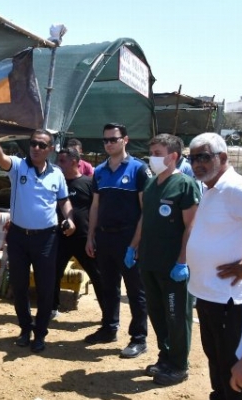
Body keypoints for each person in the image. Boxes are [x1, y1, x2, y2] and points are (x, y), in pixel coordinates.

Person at [0, 126, 75, 353]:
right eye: (33, 143)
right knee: (20, 286)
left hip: (46, 239)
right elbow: (1, 158)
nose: (35, 148)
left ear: (50, 149)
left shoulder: (56, 174)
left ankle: (40, 333)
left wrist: (70, 218)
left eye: (42, 145)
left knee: (45, 288)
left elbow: (63, 200)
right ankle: (25, 329)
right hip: (18, 238)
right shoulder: (18, 166)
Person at [184, 132, 242, 400]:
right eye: (193, 157)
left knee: (232, 370)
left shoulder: (236, 188)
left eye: (204, 157)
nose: (197, 163)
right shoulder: (210, 188)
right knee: (216, 363)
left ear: (222, 157)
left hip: (229, 300)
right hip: (208, 294)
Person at [133, 134, 200, 385]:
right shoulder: (151, 185)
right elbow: (144, 218)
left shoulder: (184, 184)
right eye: (151, 152)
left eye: (158, 152)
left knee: (176, 315)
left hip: (173, 266)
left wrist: (182, 261)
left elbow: (191, 225)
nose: (152, 157)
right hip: (149, 262)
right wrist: (133, 247)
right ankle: (165, 356)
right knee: (157, 312)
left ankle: (179, 365)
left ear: (173, 156)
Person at [84, 122, 149, 359]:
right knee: (108, 286)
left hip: (128, 238)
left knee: (135, 290)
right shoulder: (99, 171)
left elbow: (146, 210)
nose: (109, 143)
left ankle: (139, 338)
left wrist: (136, 243)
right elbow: (95, 205)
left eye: (114, 139)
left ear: (125, 140)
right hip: (104, 237)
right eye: (106, 140)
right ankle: (109, 328)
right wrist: (91, 236)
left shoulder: (139, 169)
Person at [52, 147, 103, 319]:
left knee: (98, 275)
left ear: (74, 161)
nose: (59, 164)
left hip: (83, 238)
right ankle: (52, 307)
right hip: (60, 237)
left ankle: (108, 315)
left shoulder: (88, 183)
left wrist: (94, 236)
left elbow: (97, 209)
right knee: (53, 272)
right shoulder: (57, 183)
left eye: (62, 161)